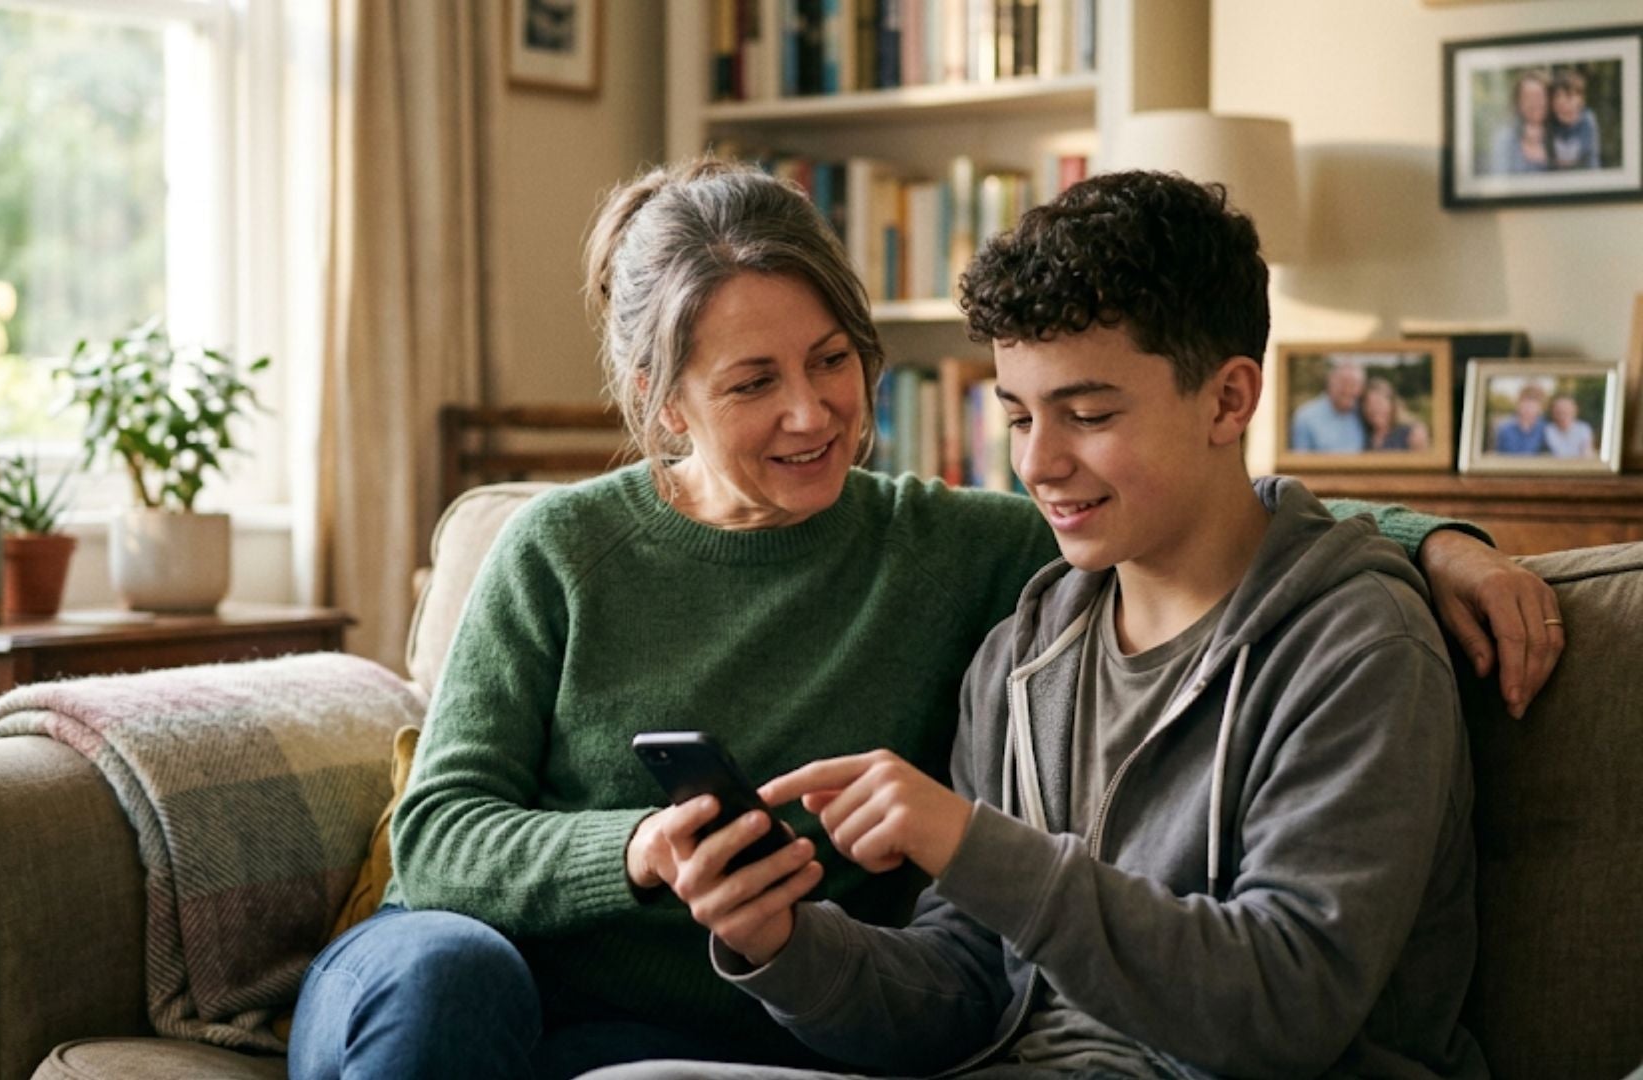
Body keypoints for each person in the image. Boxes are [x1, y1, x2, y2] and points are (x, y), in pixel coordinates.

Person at [284, 160, 1562, 1080]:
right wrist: (644, 852)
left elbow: (1218, 519)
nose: (810, 414)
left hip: (738, 1020)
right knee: (447, 984)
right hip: (483, 969)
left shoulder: (974, 553)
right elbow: (437, 835)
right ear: (662, 399)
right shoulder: (563, 549)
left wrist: (1428, 541)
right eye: (752, 382)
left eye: (832, 361)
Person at [1287, 360, 1366, 453]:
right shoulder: (1305, 417)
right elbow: (1299, 459)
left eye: (1354, 384)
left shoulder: (1365, 414)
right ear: (1330, 383)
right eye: (1344, 383)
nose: (1348, 389)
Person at [1488, 69, 1552, 175]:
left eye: (1539, 96)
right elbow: (1499, 176)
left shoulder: (1561, 133)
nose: (1534, 102)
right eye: (1528, 97)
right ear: (1518, 103)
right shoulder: (1505, 138)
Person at [1547, 67, 1601, 170]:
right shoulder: (1548, 124)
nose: (1562, 103)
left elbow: (1592, 161)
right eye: (1557, 97)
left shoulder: (1587, 120)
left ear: (1581, 101)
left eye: (1569, 96)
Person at [1361, 375, 1429, 451]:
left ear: (1391, 405)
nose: (1375, 409)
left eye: (1379, 403)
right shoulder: (1365, 436)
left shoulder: (1409, 434)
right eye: (1369, 404)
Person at [1493, 384, 1549, 455]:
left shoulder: (1545, 429)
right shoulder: (1504, 430)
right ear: (1518, 405)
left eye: (1532, 406)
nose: (1528, 409)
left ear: (1539, 408)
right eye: (1525, 404)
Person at [1543, 394, 1597, 458]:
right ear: (1553, 412)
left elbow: (1587, 451)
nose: (1562, 414)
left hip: (1578, 463)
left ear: (1574, 411)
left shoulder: (1583, 428)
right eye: (1559, 411)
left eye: (1566, 410)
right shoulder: (1549, 429)